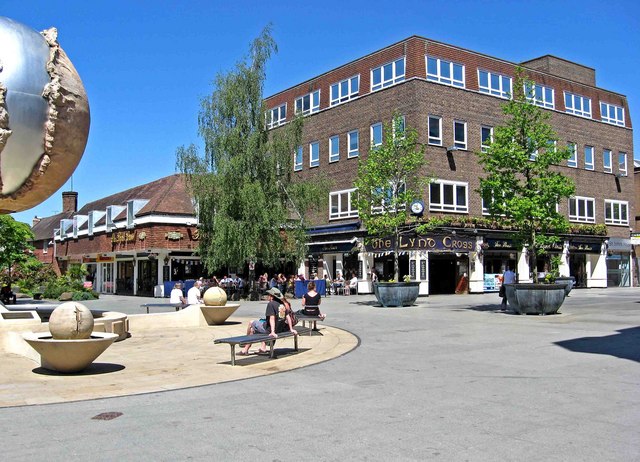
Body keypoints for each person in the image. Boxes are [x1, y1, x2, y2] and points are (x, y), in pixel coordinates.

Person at [239, 287, 297, 355]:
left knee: (251, 323)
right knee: (254, 329)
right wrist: (291, 329)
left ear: (272, 296)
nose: (268, 296)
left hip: (269, 329)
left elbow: (271, 318)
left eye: (269, 295)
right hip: (279, 329)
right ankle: (248, 349)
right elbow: (288, 317)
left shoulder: (271, 304)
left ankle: (246, 341)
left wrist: (272, 331)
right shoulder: (282, 304)